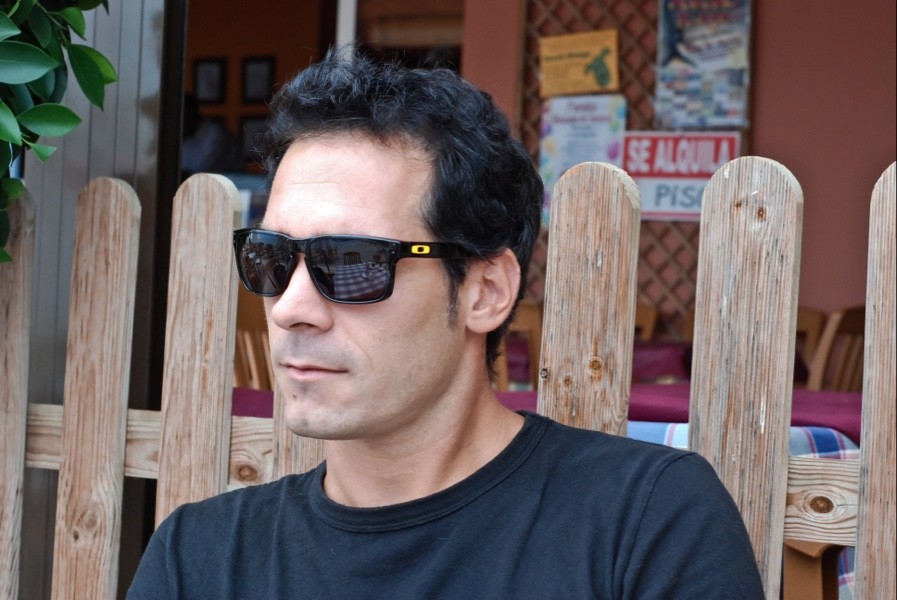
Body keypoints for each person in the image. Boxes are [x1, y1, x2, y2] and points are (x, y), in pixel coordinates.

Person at [129, 47, 763, 598]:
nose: (291, 307)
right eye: (272, 257)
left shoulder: (647, 525)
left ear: (486, 292)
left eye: (351, 262)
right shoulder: (200, 557)